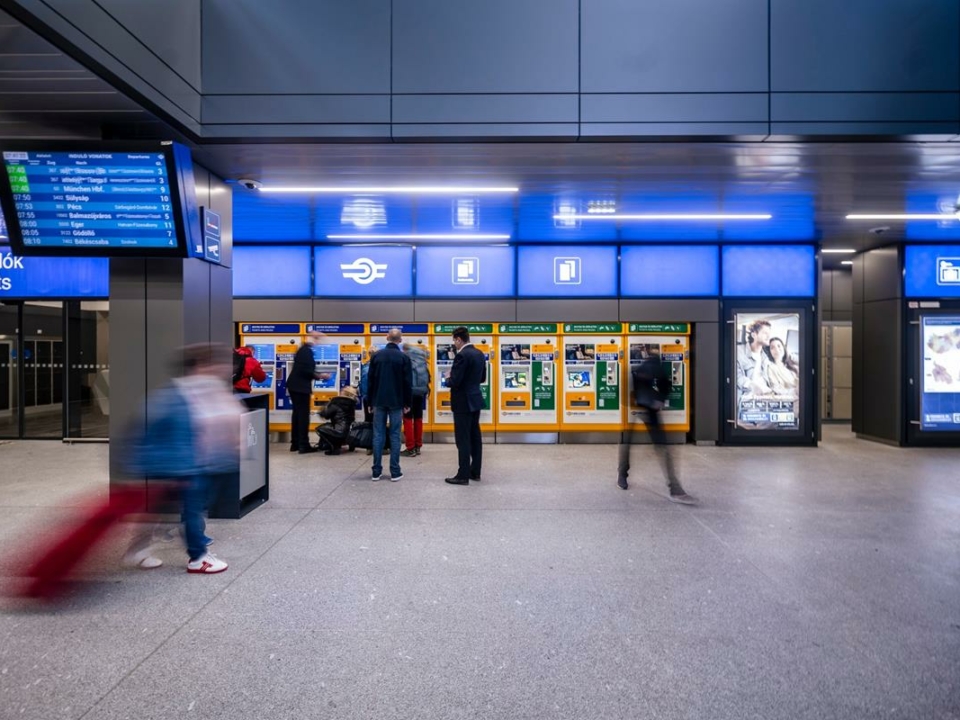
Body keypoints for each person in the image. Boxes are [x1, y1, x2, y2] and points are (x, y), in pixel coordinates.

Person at [123, 343, 241, 573]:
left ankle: (138, 550)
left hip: (193, 464)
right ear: (199, 366)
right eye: (216, 364)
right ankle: (198, 557)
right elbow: (155, 431)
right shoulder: (177, 395)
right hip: (183, 466)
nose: (223, 369)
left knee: (164, 511)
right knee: (191, 509)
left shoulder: (202, 390)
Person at [618, 349, 697, 505]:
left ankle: (622, 476)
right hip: (650, 409)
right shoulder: (659, 367)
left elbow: (629, 388)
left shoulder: (639, 368)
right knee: (663, 446)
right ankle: (674, 488)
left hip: (634, 407)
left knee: (627, 442)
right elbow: (665, 385)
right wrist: (659, 400)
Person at [367, 328, 412, 481]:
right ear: (400, 340)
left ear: (387, 338)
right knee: (394, 435)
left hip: (378, 401)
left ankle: (376, 471)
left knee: (378, 435)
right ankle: (395, 471)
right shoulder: (403, 358)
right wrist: (407, 402)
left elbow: (370, 381)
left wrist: (370, 401)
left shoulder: (376, 356)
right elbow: (407, 383)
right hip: (396, 401)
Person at [444, 326, 486, 485]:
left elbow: (455, 381)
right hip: (475, 400)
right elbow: (482, 378)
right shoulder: (479, 353)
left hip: (462, 402)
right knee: (475, 437)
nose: (454, 344)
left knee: (462, 439)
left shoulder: (462, 355)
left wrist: (448, 377)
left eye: (454, 340)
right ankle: (475, 472)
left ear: (459, 339)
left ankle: (462, 475)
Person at [287, 331, 323, 454]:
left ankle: (295, 443)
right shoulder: (306, 351)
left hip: (295, 386)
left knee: (297, 414)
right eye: (317, 339)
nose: (318, 342)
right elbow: (306, 371)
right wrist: (320, 376)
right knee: (303, 416)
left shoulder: (302, 350)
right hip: (300, 387)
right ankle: (303, 445)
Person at [401, 342, 430, 457]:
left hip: (410, 393)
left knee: (407, 419)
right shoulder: (421, 359)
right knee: (418, 418)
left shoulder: (407, 359)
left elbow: (404, 379)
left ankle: (410, 448)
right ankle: (418, 445)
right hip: (421, 392)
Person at [316, 385, 358, 455]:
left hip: (339, 432)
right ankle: (350, 445)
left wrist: (325, 406)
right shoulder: (351, 404)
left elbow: (325, 415)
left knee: (320, 428)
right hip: (350, 433)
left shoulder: (336, 403)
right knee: (333, 426)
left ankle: (335, 447)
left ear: (343, 393)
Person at [736, 319, 772, 398]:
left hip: (764, 399)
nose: (769, 336)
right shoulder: (738, 352)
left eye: (769, 333)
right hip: (746, 399)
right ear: (754, 335)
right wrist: (753, 386)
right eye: (765, 333)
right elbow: (737, 377)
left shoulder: (766, 357)